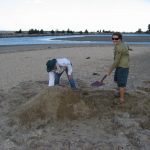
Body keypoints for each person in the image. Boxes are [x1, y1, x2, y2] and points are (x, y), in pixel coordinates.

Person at [106, 32, 131, 104]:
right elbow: (127, 46)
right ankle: (120, 91)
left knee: (121, 84)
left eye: (116, 38)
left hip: (123, 67)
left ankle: (122, 98)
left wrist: (109, 70)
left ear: (120, 39)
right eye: (113, 38)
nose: (114, 40)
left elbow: (116, 61)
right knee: (116, 80)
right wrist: (128, 49)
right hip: (119, 66)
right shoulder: (122, 44)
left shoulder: (120, 48)